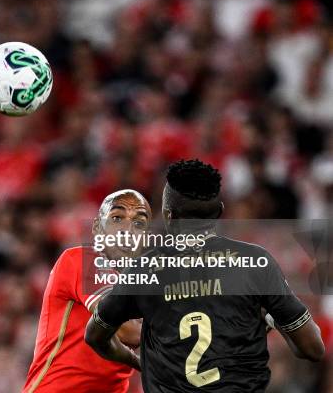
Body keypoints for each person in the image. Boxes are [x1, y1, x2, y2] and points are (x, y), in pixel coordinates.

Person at [85, 159, 325, 392]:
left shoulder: (144, 268)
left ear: (168, 215)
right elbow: (312, 349)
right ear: (220, 212)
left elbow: (95, 336)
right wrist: (272, 319)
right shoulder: (255, 262)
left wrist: (137, 361)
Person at [23, 189, 150, 393]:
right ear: (97, 228)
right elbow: (124, 328)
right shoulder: (82, 260)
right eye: (117, 218)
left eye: (139, 223)